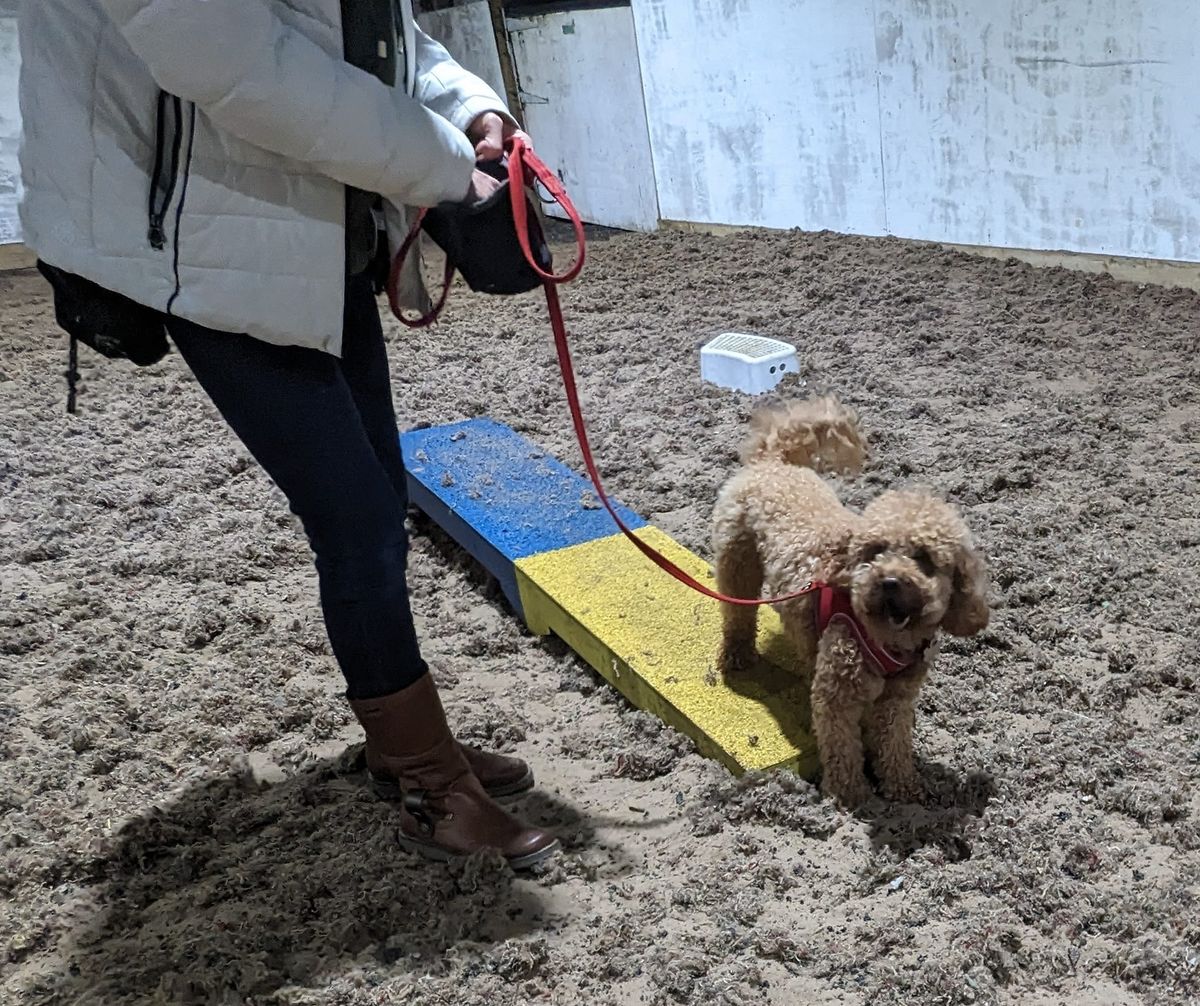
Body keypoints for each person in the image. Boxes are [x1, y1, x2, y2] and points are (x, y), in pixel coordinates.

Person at [18, 0, 559, 871]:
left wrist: (470, 108)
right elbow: (248, 70)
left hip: (314, 232)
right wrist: (451, 167)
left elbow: (374, 31)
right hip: (212, 252)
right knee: (356, 520)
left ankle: (403, 748)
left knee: (377, 508)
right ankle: (426, 780)